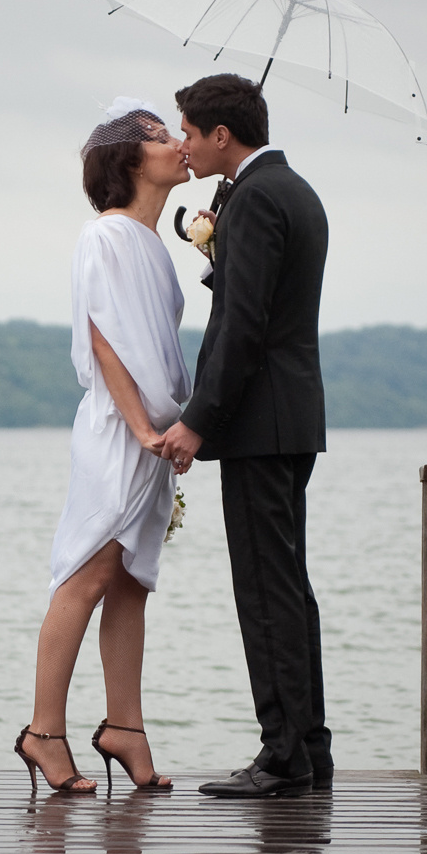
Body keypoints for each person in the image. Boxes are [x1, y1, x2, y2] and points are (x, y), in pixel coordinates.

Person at [154, 73, 332, 798]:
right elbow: (254, 296)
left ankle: (283, 754)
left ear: (222, 134)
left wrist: (198, 419)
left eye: (190, 132)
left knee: (265, 588)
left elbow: (243, 325)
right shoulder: (291, 190)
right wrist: (218, 245)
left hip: (259, 421)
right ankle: (309, 747)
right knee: (289, 586)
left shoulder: (257, 197)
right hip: (293, 417)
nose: (184, 145)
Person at [18, 98, 195, 797]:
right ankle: (44, 731)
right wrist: (144, 428)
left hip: (150, 438)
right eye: (161, 136)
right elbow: (102, 337)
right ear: (128, 159)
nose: (178, 143)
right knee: (87, 571)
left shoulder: (154, 244)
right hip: (118, 433)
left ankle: (125, 726)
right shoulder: (105, 236)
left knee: (131, 580)